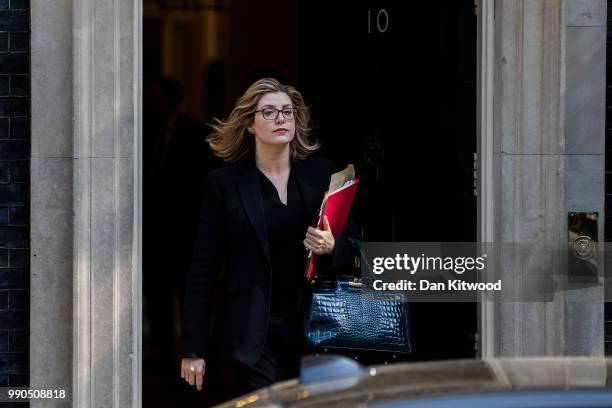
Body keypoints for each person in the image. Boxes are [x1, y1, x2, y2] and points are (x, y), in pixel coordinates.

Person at [179, 77, 357, 405]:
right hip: (251, 336)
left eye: (287, 113)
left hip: (316, 329)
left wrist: (333, 247)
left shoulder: (322, 175)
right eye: (270, 112)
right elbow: (202, 270)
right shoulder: (223, 184)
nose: (280, 119)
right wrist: (193, 349)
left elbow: (357, 250)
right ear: (250, 123)